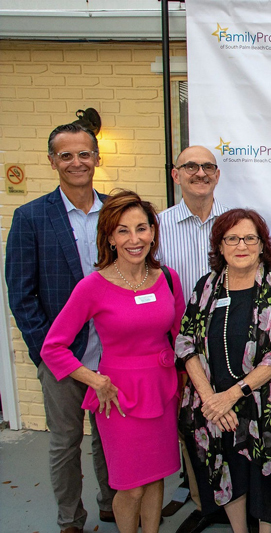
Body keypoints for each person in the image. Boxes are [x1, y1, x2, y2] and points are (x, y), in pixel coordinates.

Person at [39, 190, 185, 533]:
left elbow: (182, 337)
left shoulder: (167, 278)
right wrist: (95, 380)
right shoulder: (93, 286)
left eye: (141, 228)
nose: (135, 239)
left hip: (163, 389)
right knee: (130, 486)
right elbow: (53, 347)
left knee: (156, 478)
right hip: (117, 396)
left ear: (153, 232)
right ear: (109, 238)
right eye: (123, 231)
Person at [5, 122, 116, 533]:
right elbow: (22, 294)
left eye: (84, 154)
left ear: (97, 158)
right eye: (66, 155)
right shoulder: (30, 217)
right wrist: (46, 353)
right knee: (66, 441)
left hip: (113, 351)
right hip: (63, 357)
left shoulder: (117, 212)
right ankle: (70, 518)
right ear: (52, 161)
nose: (76, 162)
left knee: (110, 436)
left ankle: (112, 504)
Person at [176, 209, 271, 533]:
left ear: (262, 245)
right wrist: (211, 399)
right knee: (227, 467)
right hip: (214, 401)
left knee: (267, 474)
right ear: (220, 246)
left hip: (265, 399)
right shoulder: (206, 287)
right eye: (231, 238)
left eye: (249, 238)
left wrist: (231, 396)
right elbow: (185, 342)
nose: (241, 245)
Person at [157, 145, 229, 533]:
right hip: (178, 346)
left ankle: (236, 503)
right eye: (190, 167)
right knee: (191, 427)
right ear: (176, 174)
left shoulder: (234, 222)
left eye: (207, 167)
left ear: (217, 174)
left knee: (231, 424)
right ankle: (203, 503)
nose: (200, 173)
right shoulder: (157, 227)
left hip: (231, 344)